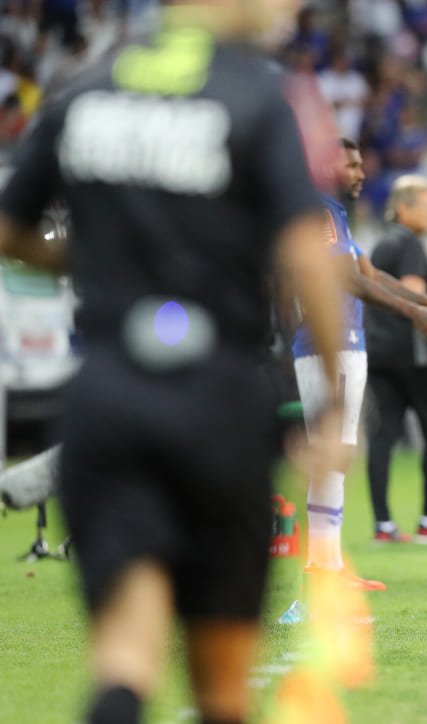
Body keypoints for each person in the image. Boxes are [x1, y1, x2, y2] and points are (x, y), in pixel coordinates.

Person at [0, 1, 349, 721]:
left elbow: (10, 230)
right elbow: (306, 254)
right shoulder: (259, 94)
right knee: (222, 682)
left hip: (107, 394)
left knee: (126, 653)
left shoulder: (87, 89)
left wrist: (90, 259)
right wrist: (336, 397)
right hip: (217, 398)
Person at [289, 139, 427, 602]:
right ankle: (319, 574)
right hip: (329, 343)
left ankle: (328, 567)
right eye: (351, 163)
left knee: (339, 456)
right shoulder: (319, 208)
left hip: (349, 344)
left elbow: (370, 272)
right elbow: (347, 279)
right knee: (332, 455)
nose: (361, 171)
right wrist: (415, 316)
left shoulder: (336, 214)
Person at [364, 174, 427, 543]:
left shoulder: (380, 245)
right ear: (404, 208)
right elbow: (414, 295)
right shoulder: (411, 246)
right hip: (412, 354)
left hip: (377, 351)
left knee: (384, 434)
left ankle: (383, 523)